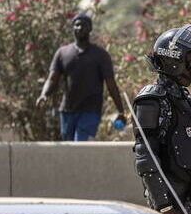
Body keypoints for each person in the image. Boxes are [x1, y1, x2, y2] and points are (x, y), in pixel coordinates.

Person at [132, 24, 191, 214]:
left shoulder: (182, 97)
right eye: (190, 63)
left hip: (189, 199)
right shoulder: (152, 98)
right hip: (169, 201)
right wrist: (164, 207)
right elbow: (145, 159)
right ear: (174, 59)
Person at [36, 13, 126, 141]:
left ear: (90, 28)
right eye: (76, 25)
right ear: (73, 28)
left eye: (83, 25)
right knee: (69, 149)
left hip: (90, 111)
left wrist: (120, 110)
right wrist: (44, 94)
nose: (79, 28)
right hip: (67, 111)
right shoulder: (63, 53)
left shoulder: (100, 55)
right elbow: (52, 79)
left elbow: (111, 84)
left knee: (81, 143)